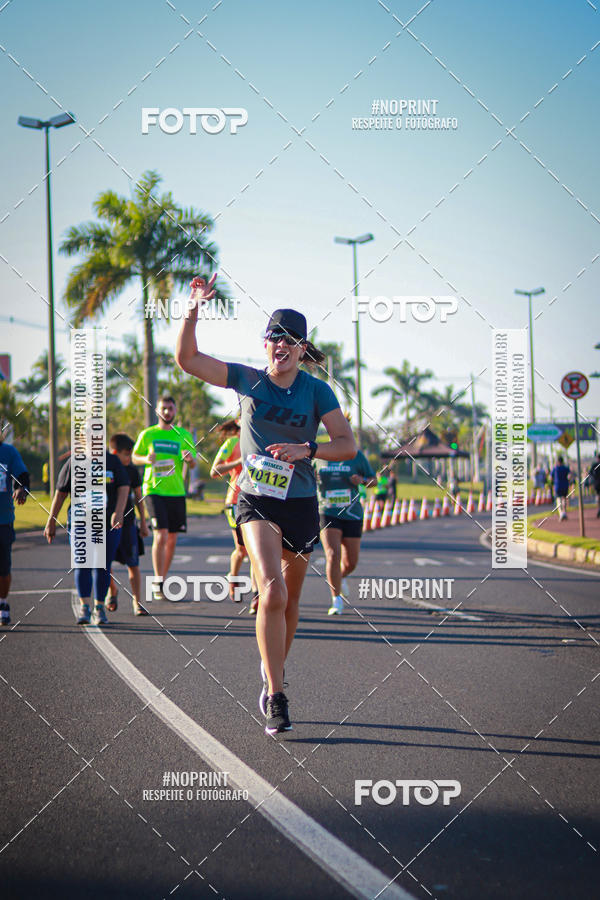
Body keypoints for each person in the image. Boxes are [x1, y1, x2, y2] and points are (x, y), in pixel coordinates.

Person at [176, 274, 356, 735]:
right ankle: (277, 694)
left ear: (302, 349)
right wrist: (194, 305)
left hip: (300, 502)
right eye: (275, 336)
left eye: (291, 340)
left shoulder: (317, 392)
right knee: (271, 593)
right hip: (256, 500)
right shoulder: (249, 380)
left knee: (291, 600)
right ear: (266, 343)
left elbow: (346, 444)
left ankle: (271, 667)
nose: (282, 345)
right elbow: (189, 359)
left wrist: (307, 450)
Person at [44, 450, 129, 625]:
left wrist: (119, 512)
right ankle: (84, 607)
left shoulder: (112, 461)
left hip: (107, 523)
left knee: (102, 565)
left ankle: (99, 608)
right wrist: (51, 521)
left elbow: (124, 486)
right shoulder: (74, 462)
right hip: (80, 521)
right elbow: (61, 493)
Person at [132, 395, 197, 602]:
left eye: (170, 408)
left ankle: (162, 578)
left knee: (172, 538)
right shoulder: (148, 434)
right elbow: (134, 457)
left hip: (176, 491)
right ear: (157, 411)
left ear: (175, 410)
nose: (167, 412)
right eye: (164, 408)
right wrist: (145, 459)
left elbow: (193, 463)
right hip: (153, 489)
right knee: (161, 533)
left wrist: (189, 459)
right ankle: (158, 582)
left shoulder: (183, 434)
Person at [316, 446, 376, 615]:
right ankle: (336, 600)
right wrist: (311, 477)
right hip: (327, 511)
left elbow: (374, 481)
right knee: (332, 554)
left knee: (351, 563)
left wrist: (362, 480)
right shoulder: (319, 454)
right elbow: (301, 477)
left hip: (352, 513)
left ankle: (339, 578)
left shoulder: (356, 456)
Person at [210, 419, 259, 609]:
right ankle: (234, 578)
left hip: (258, 499)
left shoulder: (261, 440)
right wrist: (240, 461)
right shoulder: (232, 443)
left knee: (255, 550)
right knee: (242, 550)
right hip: (235, 501)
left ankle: (256, 595)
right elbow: (214, 470)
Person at [106, 433, 150, 616]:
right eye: (126, 454)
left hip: (128, 524)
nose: (129, 458)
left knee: (133, 564)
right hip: (106, 523)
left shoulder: (131, 471)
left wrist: (144, 523)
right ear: (114, 452)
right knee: (104, 563)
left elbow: (139, 497)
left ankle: (137, 602)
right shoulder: (104, 468)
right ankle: (112, 590)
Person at [0, 435, 29, 626]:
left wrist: (21, 488)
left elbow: (22, 475)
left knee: (3, 568)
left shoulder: (8, 452)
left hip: (3, 520)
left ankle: (3, 603)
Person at [550, 455, 571, 521]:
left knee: (558, 499)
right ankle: (564, 512)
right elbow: (569, 476)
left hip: (557, 486)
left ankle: (561, 513)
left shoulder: (555, 468)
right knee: (564, 499)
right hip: (565, 485)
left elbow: (551, 477)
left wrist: (552, 482)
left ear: (558, 461)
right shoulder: (566, 468)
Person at [588, 452, 600, 518]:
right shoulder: (595, 465)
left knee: (598, 495)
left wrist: (594, 476)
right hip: (597, 482)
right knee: (598, 495)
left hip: (597, 482)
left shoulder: (594, 464)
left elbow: (590, 472)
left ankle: (599, 508)